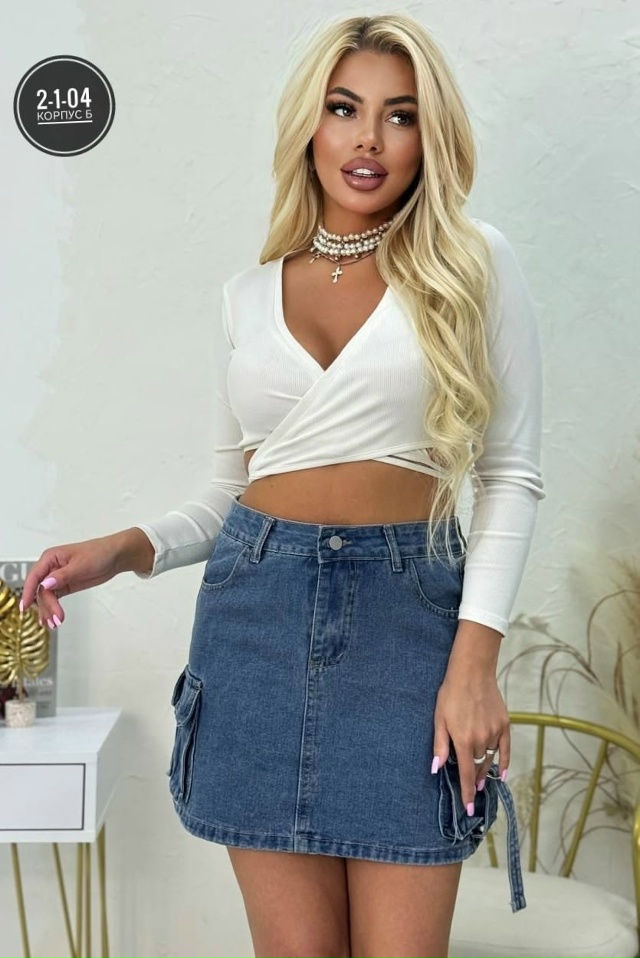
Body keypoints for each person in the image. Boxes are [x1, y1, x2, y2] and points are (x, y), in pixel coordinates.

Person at [21, 13, 544, 958]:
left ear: (430, 136)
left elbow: (510, 474)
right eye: (345, 109)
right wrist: (126, 549)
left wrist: (475, 662)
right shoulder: (248, 296)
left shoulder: (472, 264)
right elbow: (233, 494)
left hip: (409, 631)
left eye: (400, 115)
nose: (368, 139)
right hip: (254, 624)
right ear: (310, 123)